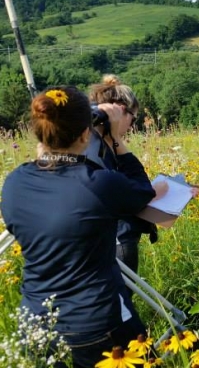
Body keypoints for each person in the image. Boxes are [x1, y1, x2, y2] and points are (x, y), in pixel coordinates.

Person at [0, 86, 156, 367]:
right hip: (95, 320)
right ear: (86, 133)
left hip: (36, 321)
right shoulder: (99, 183)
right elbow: (143, 191)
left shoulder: (14, 183)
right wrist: (115, 138)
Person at [86, 74, 158, 274]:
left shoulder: (86, 143)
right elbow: (140, 191)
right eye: (133, 118)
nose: (132, 126)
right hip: (116, 241)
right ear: (119, 111)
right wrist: (116, 136)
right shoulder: (99, 148)